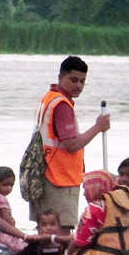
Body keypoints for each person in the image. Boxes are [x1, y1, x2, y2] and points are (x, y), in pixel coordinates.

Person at [30, 55, 111, 234]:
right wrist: (98, 127)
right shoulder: (61, 105)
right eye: (73, 80)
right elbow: (71, 144)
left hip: (44, 174)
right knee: (62, 232)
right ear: (60, 77)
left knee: (45, 231)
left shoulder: (49, 99)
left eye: (82, 81)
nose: (78, 86)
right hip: (58, 178)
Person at [57, 170, 129, 255]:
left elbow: (80, 242)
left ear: (96, 188)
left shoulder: (95, 208)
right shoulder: (125, 208)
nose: (84, 194)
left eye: (85, 189)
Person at [0, 166, 27, 254]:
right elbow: (6, 218)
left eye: (11, 185)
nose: (9, 188)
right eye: (5, 185)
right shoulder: (1, 199)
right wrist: (12, 221)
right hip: (3, 233)